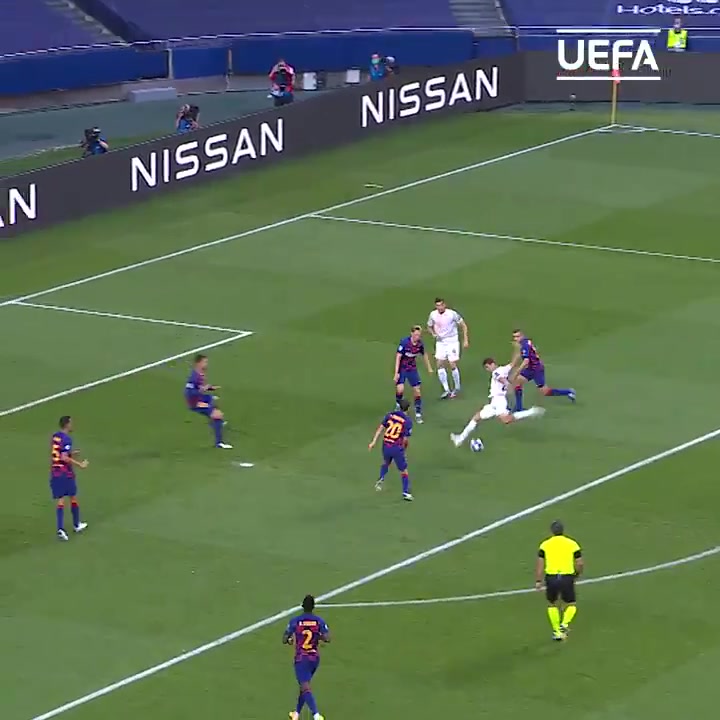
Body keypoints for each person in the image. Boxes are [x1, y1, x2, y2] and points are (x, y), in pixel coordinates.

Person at [450, 358, 544, 447]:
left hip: (499, 401)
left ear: (492, 364)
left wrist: (507, 384)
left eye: (487, 367)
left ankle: (531, 411)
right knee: (476, 417)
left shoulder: (495, 372)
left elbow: (501, 379)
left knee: (506, 420)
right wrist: (519, 355)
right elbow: (513, 363)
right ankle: (460, 439)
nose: (488, 369)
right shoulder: (504, 369)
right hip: (494, 402)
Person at [535, 520, 583, 641]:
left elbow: (540, 564)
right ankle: (564, 624)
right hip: (567, 577)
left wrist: (538, 580)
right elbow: (579, 563)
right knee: (571, 604)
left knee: (552, 604)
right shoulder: (572, 544)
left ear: (551, 531)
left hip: (551, 577)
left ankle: (557, 631)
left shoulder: (545, 545)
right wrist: (577, 574)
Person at [284, 594, 329, 720]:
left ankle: (316, 715)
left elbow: (285, 638)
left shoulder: (295, 621)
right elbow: (327, 638)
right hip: (314, 658)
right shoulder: (319, 621)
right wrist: (317, 636)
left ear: (302, 606)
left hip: (301, 658)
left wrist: (290, 640)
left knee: (305, 686)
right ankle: (296, 714)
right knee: (304, 686)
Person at [509, 329, 575, 412]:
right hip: (530, 368)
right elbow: (520, 354)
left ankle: (568, 391)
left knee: (545, 392)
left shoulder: (524, 345)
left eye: (518, 336)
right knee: (517, 382)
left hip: (537, 370)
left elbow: (526, 361)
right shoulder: (525, 342)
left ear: (522, 336)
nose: (516, 339)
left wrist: (516, 372)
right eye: (514, 337)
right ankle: (519, 407)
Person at [50, 416, 89, 541]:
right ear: (67, 424)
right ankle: (75, 525)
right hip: (65, 473)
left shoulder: (56, 436)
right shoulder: (67, 438)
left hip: (55, 471)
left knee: (61, 499)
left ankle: (62, 528)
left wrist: (71, 453)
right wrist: (80, 464)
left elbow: (60, 453)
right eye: (71, 423)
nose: (72, 425)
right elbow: (64, 457)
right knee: (72, 496)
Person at [368, 398, 413, 501]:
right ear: (408, 408)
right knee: (404, 471)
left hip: (386, 444)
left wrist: (373, 442)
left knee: (386, 462)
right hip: (396, 447)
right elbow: (405, 440)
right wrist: (403, 450)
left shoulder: (390, 415)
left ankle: (381, 479)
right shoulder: (407, 421)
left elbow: (380, 428)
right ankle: (405, 492)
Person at [184, 354, 232, 449]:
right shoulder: (194, 377)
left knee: (213, 400)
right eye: (205, 362)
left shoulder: (200, 373)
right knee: (218, 415)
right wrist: (202, 390)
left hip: (201, 398)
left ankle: (215, 422)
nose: (207, 364)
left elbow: (200, 387)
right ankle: (219, 443)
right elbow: (189, 392)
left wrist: (210, 388)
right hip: (195, 402)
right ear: (198, 363)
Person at [427, 297, 469, 399]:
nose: (440, 307)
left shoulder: (452, 314)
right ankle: (446, 389)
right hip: (440, 342)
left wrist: (465, 340)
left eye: (441, 305)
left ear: (444, 305)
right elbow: (429, 326)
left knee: (452, 363)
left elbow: (463, 325)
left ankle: (457, 388)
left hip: (452, 341)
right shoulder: (433, 314)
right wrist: (433, 334)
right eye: (438, 305)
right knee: (439, 364)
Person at [394, 325, 433, 424]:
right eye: (415, 335)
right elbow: (398, 357)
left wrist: (429, 367)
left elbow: (424, 355)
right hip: (402, 368)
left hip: (412, 369)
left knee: (417, 391)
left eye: (419, 335)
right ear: (411, 334)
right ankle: (398, 404)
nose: (417, 337)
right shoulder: (404, 342)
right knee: (400, 389)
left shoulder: (420, 344)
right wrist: (396, 373)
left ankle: (418, 413)